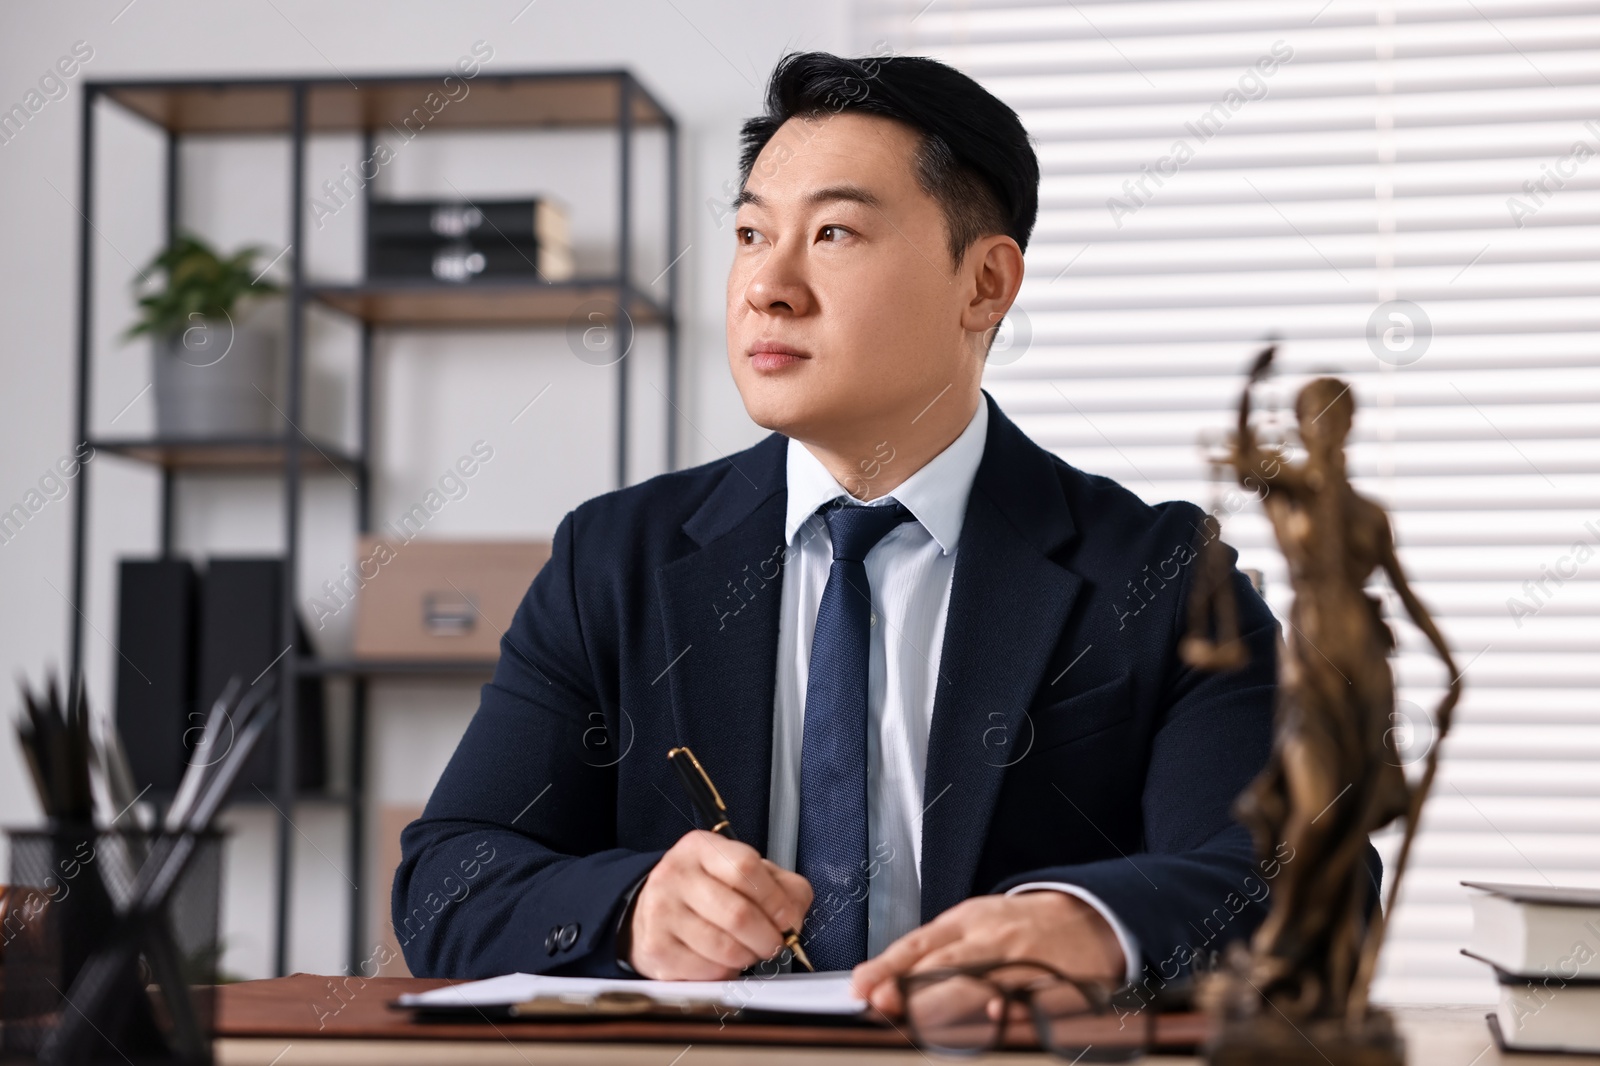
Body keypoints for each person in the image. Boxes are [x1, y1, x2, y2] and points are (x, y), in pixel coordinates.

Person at [394, 51, 1287, 1015]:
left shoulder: (1157, 575)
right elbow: (448, 875)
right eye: (748, 232)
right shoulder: (613, 560)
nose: (766, 288)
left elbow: (1297, 880)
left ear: (985, 284)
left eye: (833, 233)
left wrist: (1094, 924)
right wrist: (629, 910)